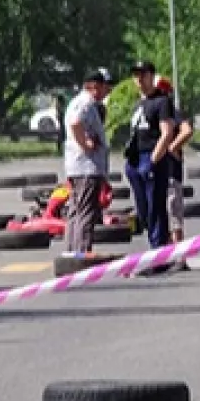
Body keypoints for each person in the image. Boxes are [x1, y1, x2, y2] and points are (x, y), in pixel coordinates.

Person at [122, 60, 179, 268]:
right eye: (136, 75)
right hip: (135, 160)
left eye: (143, 74)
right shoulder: (138, 104)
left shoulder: (161, 102)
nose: (139, 79)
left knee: (156, 208)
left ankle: (159, 254)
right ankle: (156, 245)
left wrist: (154, 159)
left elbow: (167, 133)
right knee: (143, 210)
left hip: (151, 157)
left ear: (151, 76)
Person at [62, 68, 112, 258]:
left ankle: (71, 253)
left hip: (77, 167)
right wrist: (86, 144)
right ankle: (81, 254)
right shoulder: (86, 103)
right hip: (86, 167)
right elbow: (76, 123)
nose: (105, 92)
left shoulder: (78, 101)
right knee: (85, 213)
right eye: (103, 87)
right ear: (93, 86)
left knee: (76, 211)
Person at [152, 77, 197, 269]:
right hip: (158, 172)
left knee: (173, 212)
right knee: (161, 212)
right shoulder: (155, 112)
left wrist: (171, 147)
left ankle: (180, 257)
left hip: (170, 171)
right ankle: (169, 253)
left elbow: (187, 131)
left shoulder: (171, 112)